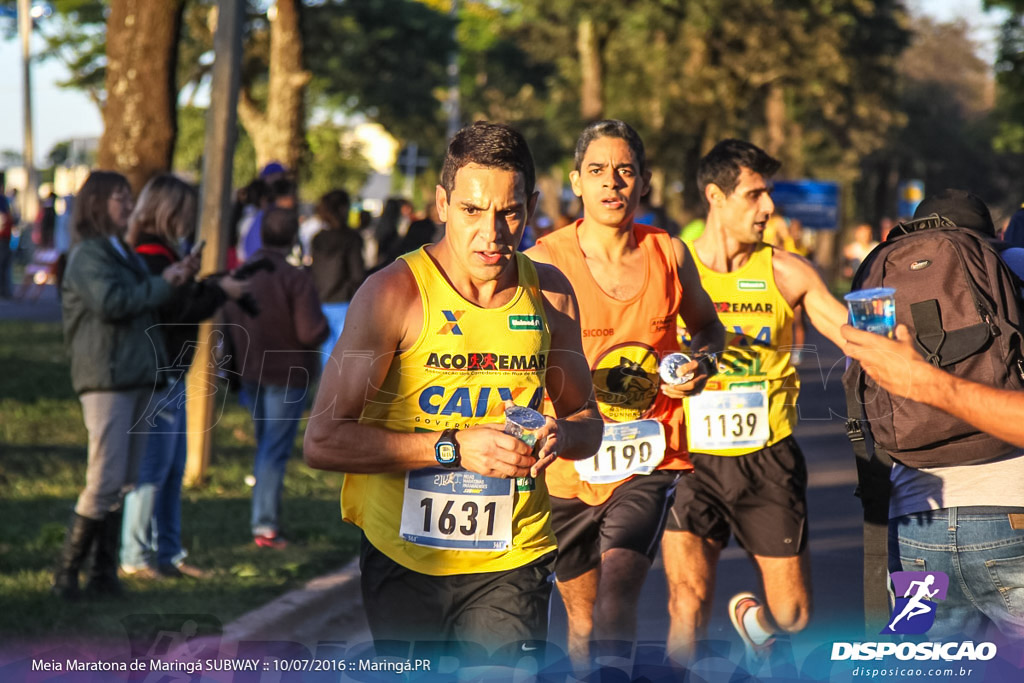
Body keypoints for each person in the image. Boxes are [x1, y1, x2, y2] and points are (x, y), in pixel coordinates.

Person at [303, 121, 603, 656]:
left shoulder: (551, 295)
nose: (492, 233)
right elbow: (323, 441)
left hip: (512, 555)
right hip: (403, 554)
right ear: (442, 204)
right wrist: (452, 447)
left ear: (531, 206)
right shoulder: (393, 293)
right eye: (472, 210)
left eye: (510, 212)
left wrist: (560, 435)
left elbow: (589, 428)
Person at [524, 120, 724, 669]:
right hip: (565, 461)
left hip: (645, 455)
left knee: (617, 595)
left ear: (644, 183)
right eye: (597, 172)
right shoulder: (543, 262)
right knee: (583, 626)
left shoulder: (669, 254)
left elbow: (709, 330)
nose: (611, 183)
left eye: (625, 171)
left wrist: (699, 365)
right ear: (576, 183)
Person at [661, 139, 848, 663]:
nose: (768, 208)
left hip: (768, 458)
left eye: (769, 194)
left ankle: (755, 622)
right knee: (685, 602)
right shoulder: (673, 271)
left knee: (793, 615)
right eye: (755, 195)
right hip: (691, 461)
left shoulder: (787, 272)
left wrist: (896, 346)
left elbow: (848, 333)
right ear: (715, 197)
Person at [841, 190, 1024, 640]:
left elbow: (861, 391)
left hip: (916, 523)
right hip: (1013, 514)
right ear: (992, 238)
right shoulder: (1014, 264)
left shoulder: (880, 284)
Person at [53, 171, 197, 599]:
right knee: (104, 478)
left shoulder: (121, 251)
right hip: (108, 378)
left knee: (126, 479)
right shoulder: (89, 255)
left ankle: (103, 574)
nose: (128, 205)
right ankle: (66, 574)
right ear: (96, 203)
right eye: (119, 197)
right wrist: (164, 282)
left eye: (128, 196)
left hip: (137, 378)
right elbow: (112, 302)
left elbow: (140, 300)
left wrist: (172, 280)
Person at [119, 174, 248, 580]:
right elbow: (176, 312)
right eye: (187, 210)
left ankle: (168, 553)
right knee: (152, 470)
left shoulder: (165, 255)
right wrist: (216, 291)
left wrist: (198, 281)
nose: (191, 218)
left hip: (174, 374)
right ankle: (135, 556)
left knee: (172, 471)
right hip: (158, 376)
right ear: (170, 210)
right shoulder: (150, 256)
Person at [222, 207, 328, 549]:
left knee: (265, 445)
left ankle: (267, 517)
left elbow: (226, 325)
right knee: (273, 450)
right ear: (292, 238)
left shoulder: (241, 273)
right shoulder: (295, 279)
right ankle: (265, 526)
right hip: (287, 374)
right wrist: (326, 325)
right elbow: (310, 331)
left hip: (250, 370)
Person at [309, 189, 365, 358]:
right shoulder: (352, 238)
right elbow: (357, 274)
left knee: (324, 354)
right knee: (343, 356)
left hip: (320, 301)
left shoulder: (317, 238)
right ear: (343, 209)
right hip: (345, 301)